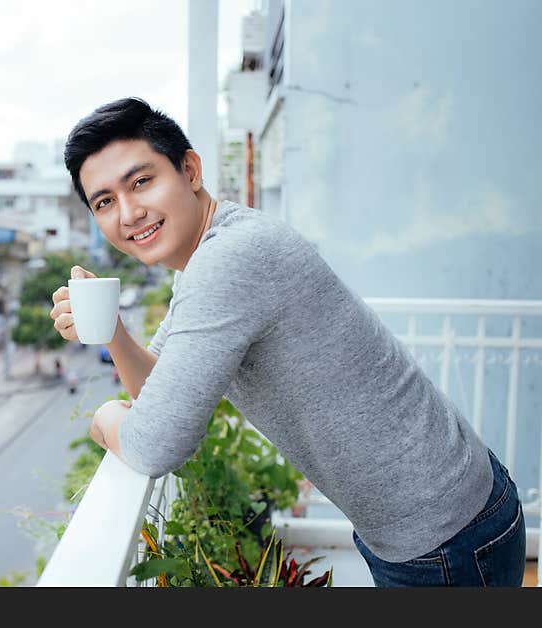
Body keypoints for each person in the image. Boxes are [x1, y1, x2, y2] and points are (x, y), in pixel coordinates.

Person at [49, 97, 526, 587]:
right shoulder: (208, 258)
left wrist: (105, 420)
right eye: (105, 201)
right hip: (437, 519)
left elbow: (155, 446)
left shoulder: (229, 261)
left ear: (189, 169)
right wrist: (113, 332)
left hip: (445, 536)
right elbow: (157, 394)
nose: (128, 213)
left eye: (141, 181)